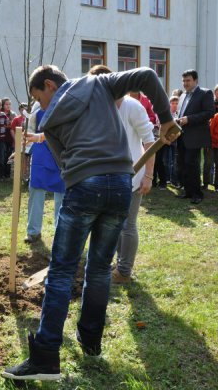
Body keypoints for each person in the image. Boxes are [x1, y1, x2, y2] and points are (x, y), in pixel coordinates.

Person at [2, 65, 176, 381]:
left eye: (37, 96)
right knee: (98, 268)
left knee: (61, 271)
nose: (39, 104)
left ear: (50, 85)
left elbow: (65, 164)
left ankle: (45, 359)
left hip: (84, 185)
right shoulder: (100, 84)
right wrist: (166, 119)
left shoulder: (49, 117)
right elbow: (148, 76)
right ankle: (91, 341)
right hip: (123, 184)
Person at [86, 65, 156, 285]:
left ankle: (124, 271)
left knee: (128, 225)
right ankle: (110, 264)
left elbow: (150, 142)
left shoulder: (132, 107)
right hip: (104, 177)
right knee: (108, 223)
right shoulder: (96, 106)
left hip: (131, 177)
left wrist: (148, 175)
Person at [23, 107, 64, 245]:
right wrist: (23, 151)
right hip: (41, 151)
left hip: (61, 151)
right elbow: (29, 130)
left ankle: (61, 232)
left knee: (62, 194)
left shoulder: (66, 100)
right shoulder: (36, 106)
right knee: (36, 190)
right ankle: (33, 232)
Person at [175, 69, 215, 204]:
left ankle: (197, 194)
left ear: (195, 80)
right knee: (182, 164)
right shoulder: (182, 96)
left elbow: (210, 113)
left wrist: (189, 119)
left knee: (191, 164)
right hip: (181, 135)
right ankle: (187, 192)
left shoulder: (205, 93)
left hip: (195, 136)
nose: (185, 83)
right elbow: (180, 114)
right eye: (184, 81)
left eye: (188, 80)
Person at [203, 83, 218, 190]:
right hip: (210, 136)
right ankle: (206, 183)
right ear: (215, 92)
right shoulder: (210, 103)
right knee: (208, 163)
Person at [1, 97, 17, 179]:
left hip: (10, 139)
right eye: (6, 104)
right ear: (3, 105)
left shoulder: (13, 114)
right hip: (2, 138)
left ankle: (8, 174)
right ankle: (2, 174)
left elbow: (14, 126)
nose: (8, 106)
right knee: (2, 156)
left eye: (9, 104)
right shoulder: (0, 113)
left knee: (10, 156)